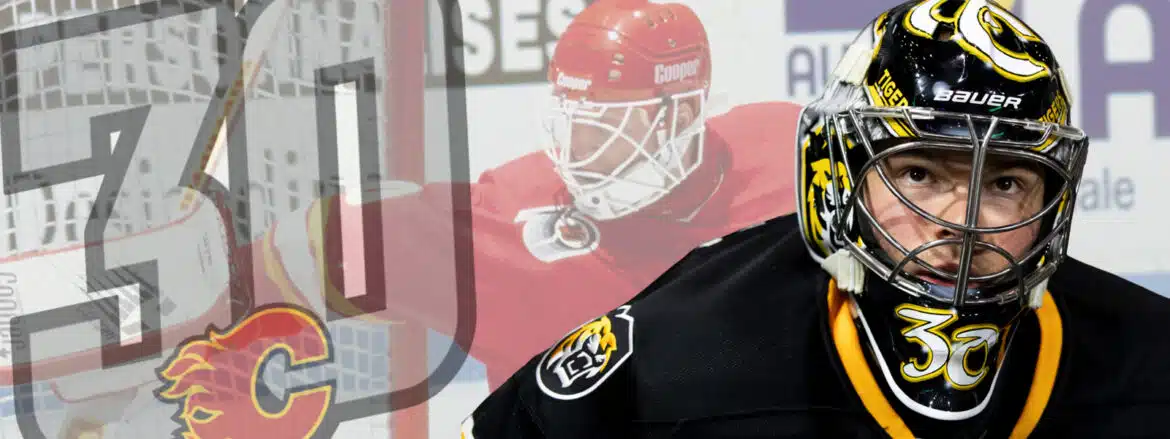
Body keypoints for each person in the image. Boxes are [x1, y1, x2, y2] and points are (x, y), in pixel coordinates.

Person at [21, 0, 801, 437]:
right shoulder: (510, 223)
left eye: (613, 123)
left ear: (686, 113)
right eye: (576, 119)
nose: (585, 151)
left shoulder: (790, 156)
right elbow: (317, 249)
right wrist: (181, 308)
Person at [459, 1, 1170, 437]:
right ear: (840, 172)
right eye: (920, 171)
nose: (958, 219)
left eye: (1006, 180)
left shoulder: (1149, 359)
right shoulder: (679, 351)